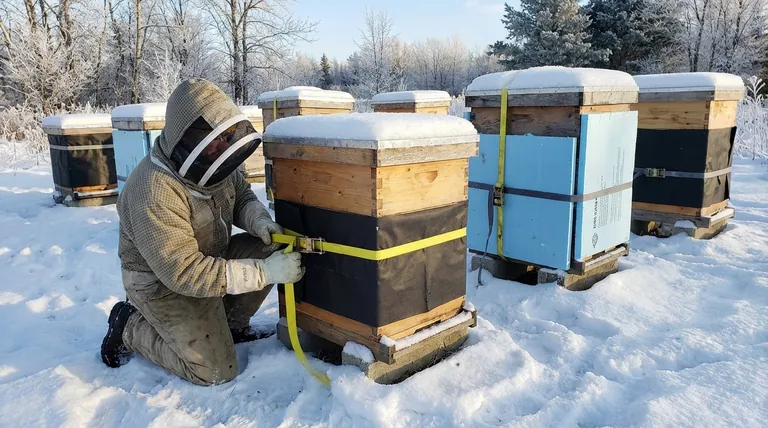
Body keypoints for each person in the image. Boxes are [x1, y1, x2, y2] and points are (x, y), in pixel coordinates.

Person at [100, 78, 305, 386]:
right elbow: (182, 272)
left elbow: (242, 198)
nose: (224, 145)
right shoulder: (154, 190)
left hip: (211, 260)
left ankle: (231, 326)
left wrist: (260, 221)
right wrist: (262, 273)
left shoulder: (215, 161)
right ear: (188, 137)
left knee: (272, 248)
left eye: (227, 135)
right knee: (215, 372)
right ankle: (129, 327)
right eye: (215, 138)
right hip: (163, 286)